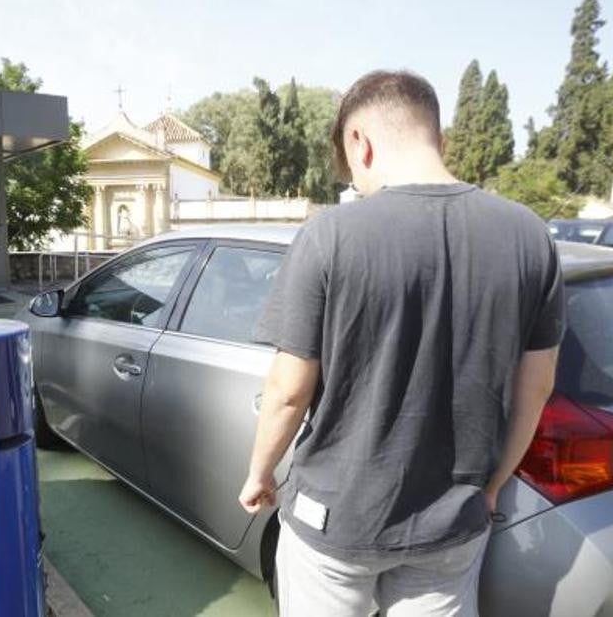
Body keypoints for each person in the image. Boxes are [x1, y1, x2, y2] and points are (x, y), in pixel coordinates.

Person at [238, 70, 564, 616]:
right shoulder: (530, 236)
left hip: (335, 521)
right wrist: (492, 486)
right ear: (440, 137)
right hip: (452, 525)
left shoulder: (330, 235)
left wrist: (259, 472)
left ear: (359, 143)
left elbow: (290, 391)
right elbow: (538, 388)